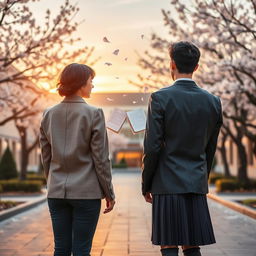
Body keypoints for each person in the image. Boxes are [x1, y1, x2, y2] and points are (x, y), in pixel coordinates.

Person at [142, 41, 223, 256]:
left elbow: (152, 147)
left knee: (169, 244)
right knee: (192, 244)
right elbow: (210, 149)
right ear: (196, 67)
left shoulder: (159, 98)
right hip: (195, 182)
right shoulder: (214, 102)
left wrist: (146, 183)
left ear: (171, 64)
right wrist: (201, 178)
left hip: (166, 183)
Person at [39, 63, 115, 256]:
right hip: (86, 193)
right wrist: (109, 192)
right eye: (91, 81)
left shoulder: (48, 114)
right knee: (82, 249)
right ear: (81, 83)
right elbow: (101, 158)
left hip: (56, 193)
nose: (93, 86)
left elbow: (45, 156)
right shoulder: (94, 113)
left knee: (61, 248)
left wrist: (52, 181)